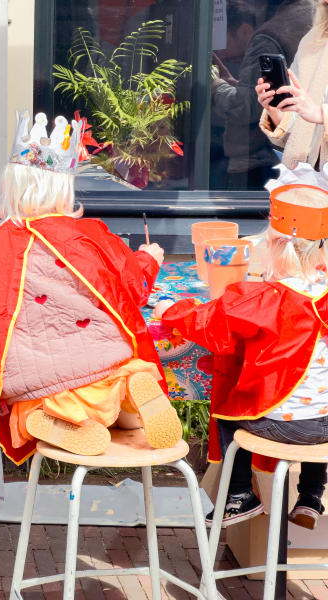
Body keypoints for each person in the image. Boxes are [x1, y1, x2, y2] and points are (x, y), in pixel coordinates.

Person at [0, 110, 179, 466]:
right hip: (106, 368)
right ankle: (134, 395)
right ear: (65, 187)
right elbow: (131, 287)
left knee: (27, 413)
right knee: (129, 376)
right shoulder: (88, 235)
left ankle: (52, 423)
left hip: (42, 386)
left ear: (10, 189)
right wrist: (149, 260)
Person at [155, 179, 328, 529]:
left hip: (282, 426)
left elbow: (207, 323)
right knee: (319, 402)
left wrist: (171, 308)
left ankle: (239, 496)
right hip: (325, 424)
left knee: (229, 407)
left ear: (274, 245)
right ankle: (310, 496)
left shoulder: (262, 297)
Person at [212, 0, 315, 189]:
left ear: (244, 31)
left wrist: (214, 86)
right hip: (306, 158)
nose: (221, 54)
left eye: (222, 42)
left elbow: (246, 107)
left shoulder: (268, 36)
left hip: (262, 160)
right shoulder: (311, 15)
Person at [257, 0, 328, 169]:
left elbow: (313, 113)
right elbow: (298, 132)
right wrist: (276, 112)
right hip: (310, 179)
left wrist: (320, 113)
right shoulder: (313, 41)